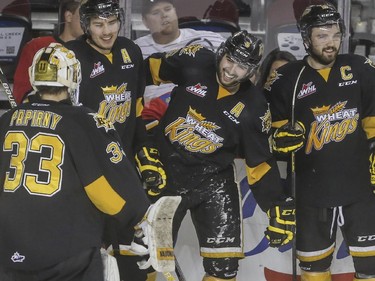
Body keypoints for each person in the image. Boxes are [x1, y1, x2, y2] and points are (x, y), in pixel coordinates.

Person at [144, 30, 296, 281]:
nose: (231, 70)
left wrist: (275, 206)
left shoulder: (255, 107)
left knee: (224, 268)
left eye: (242, 67)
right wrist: (139, 134)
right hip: (166, 171)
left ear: (253, 72)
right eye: (230, 60)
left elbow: (259, 164)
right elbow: (142, 71)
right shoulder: (194, 61)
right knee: (145, 259)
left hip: (214, 180)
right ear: (221, 52)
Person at [0, 43, 153, 281]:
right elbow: (102, 190)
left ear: (34, 77)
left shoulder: (6, 120)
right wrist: (140, 220)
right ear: (74, 77)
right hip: (67, 254)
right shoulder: (87, 121)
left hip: (7, 253)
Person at [265, 4, 375, 281]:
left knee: (371, 269)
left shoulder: (360, 68)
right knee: (314, 272)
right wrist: (278, 142)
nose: (331, 43)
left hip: (359, 191)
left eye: (336, 36)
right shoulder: (287, 79)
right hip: (310, 194)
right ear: (306, 39)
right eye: (322, 36)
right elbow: (271, 134)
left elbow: (372, 123)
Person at [65, 1, 166, 280]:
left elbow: (136, 113)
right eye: (99, 24)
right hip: (84, 173)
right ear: (85, 26)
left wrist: (144, 152)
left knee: (132, 254)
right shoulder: (70, 57)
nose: (107, 31)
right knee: (89, 255)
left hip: (121, 170)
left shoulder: (130, 51)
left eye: (112, 22)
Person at [135, 0, 227, 132]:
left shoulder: (211, 39)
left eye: (167, 9)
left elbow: (243, 70)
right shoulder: (134, 50)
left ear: (175, 11)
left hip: (202, 118)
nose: (164, 15)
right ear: (145, 21)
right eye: (156, 12)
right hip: (152, 122)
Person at [13, 0, 84, 104]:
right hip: (44, 116)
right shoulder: (36, 46)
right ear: (69, 16)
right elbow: (21, 93)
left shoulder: (95, 50)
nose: (88, 20)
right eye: (84, 15)